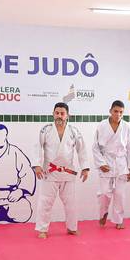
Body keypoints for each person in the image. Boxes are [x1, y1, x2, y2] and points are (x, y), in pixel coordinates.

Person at [32, 102, 90, 238]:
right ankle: (42, 229)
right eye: (57, 113)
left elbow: (82, 150)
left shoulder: (74, 131)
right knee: (45, 202)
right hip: (49, 172)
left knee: (71, 203)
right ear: (53, 113)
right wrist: (36, 164)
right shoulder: (45, 130)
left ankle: (72, 227)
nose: (59, 115)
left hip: (67, 172)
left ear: (67, 115)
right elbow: (37, 147)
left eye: (62, 113)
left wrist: (85, 168)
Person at [92, 100, 130, 229]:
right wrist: (101, 163)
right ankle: (103, 214)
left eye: (121, 112)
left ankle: (119, 219)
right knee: (103, 193)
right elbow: (95, 147)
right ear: (110, 111)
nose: (118, 114)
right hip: (106, 162)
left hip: (121, 164)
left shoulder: (127, 127)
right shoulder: (102, 126)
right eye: (116, 111)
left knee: (119, 194)